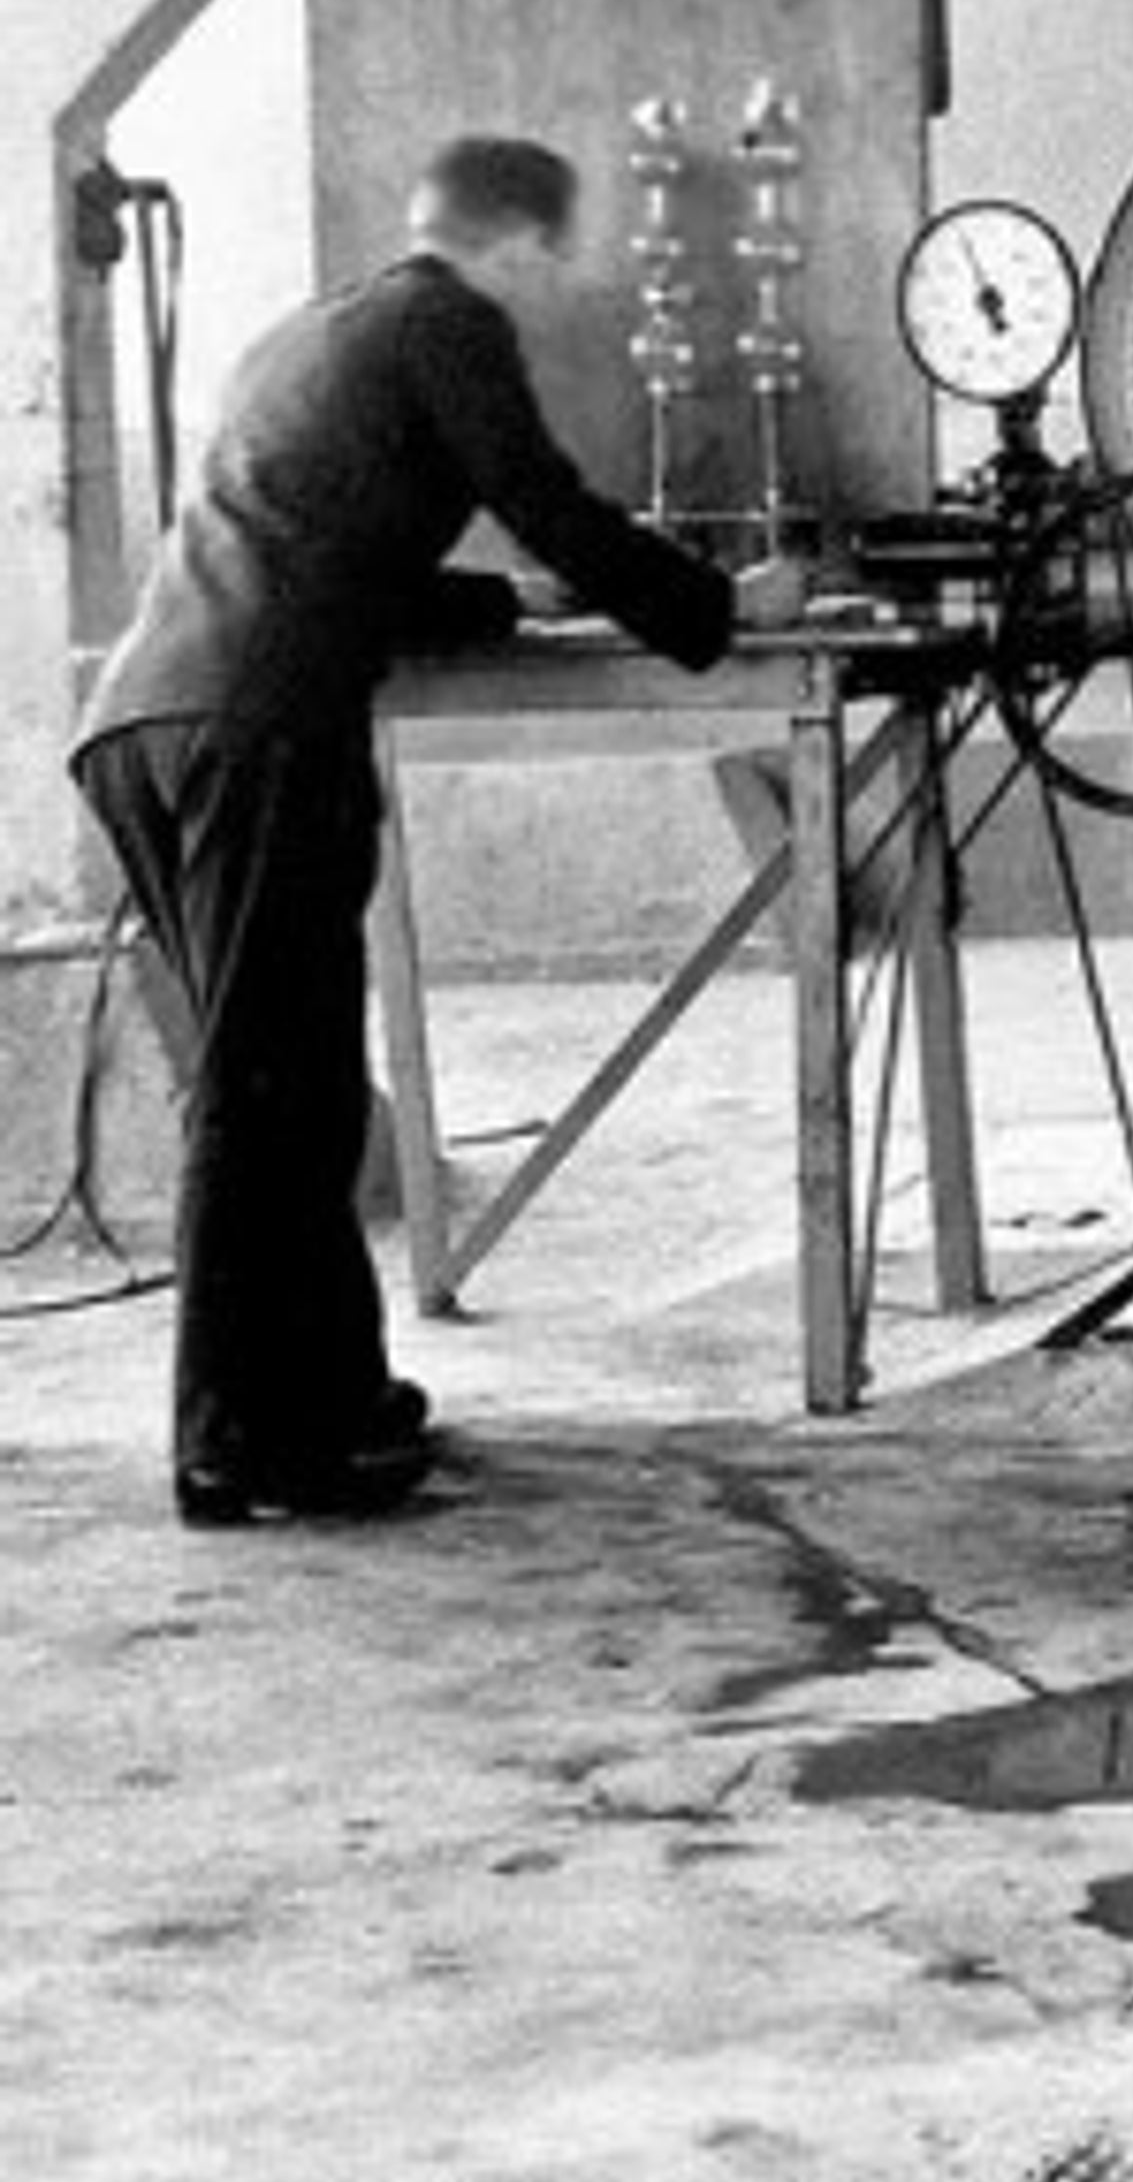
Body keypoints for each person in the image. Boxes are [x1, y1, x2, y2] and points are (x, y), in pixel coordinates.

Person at [71, 133, 805, 1527]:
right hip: (255, 729)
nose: (557, 280)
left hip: (149, 721)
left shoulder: (319, 329)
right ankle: (233, 1444)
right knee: (264, 1088)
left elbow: (333, 561)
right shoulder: (448, 319)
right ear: (518, 242)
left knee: (297, 1080)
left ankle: (337, 1407)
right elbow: (551, 503)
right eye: (557, 254)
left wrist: (505, 605)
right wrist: (721, 611)